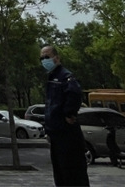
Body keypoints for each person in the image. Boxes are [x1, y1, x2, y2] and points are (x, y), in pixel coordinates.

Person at [40, 44, 89, 187]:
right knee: (61, 175)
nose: (44, 60)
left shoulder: (65, 76)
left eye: (47, 57)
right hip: (56, 135)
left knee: (72, 175)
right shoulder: (52, 77)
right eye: (42, 58)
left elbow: (74, 93)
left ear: (57, 58)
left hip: (67, 135)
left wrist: (69, 113)